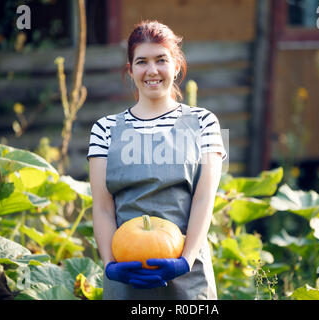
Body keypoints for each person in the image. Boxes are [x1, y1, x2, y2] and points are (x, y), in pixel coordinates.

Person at [87, 20, 227, 300]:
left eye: (161, 60)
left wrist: (185, 261)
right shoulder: (104, 129)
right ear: (130, 71)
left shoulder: (204, 123)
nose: (152, 71)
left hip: (187, 275)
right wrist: (110, 266)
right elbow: (103, 207)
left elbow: (204, 200)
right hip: (126, 274)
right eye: (142, 62)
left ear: (176, 66)